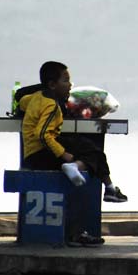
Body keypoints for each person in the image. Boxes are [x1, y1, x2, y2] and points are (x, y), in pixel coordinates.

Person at [21, 61, 128, 246]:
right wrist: (64, 155)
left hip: (33, 153)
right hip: (41, 154)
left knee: (90, 149)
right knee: (85, 166)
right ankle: (78, 231)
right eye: (66, 80)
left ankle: (109, 188)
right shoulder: (51, 106)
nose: (70, 85)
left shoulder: (37, 97)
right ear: (52, 85)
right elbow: (43, 135)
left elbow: (22, 102)